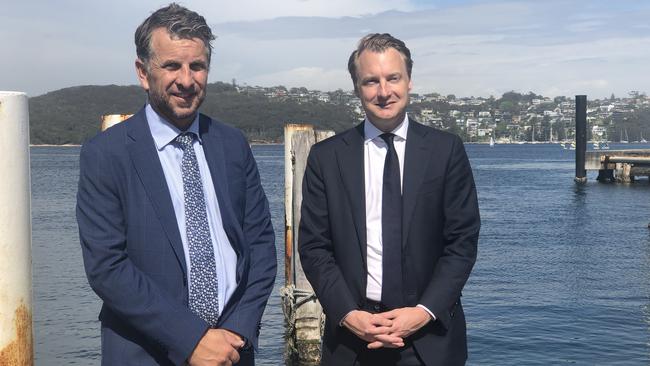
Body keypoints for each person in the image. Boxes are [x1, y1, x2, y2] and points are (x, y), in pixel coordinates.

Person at [76, 4, 276, 365]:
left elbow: (260, 247)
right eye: (171, 66)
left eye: (197, 66)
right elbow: (107, 267)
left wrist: (237, 331)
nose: (186, 80)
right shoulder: (105, 154)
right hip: (146, 354)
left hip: (232, 351)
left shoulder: (232, 145)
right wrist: (193, 339)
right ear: (143, 72)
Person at [298, 33, 480, 365]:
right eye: (371, 81)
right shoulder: (326, 159)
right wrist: (349, 314)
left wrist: (423, 312)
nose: (384, 92)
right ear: (357, 88)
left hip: (429, 339)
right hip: (352, 341)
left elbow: (462, 242)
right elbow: (313, 247)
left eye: (392, 78)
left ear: (409, 81)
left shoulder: (445, 151)